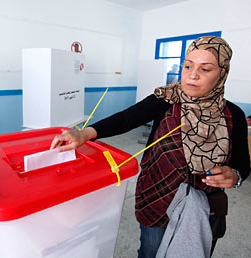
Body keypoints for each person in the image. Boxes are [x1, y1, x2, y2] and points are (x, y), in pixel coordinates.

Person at [51, 36, 250, 257]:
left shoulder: (233, 116)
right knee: (150, 251)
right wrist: (84, 134)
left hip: (204, 207)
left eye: (205, 69)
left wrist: (235, 175)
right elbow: (125, 119)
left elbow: (243, 164)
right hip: (157, 197)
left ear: (221, 73)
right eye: (188, 66)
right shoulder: (165, 99)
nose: (193, 75)